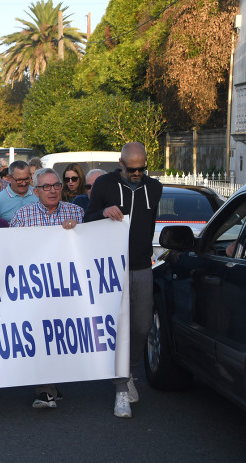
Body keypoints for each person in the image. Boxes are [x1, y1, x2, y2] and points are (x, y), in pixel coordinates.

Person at [84, 142, 162, 419]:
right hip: (111, 268)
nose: (137, 173)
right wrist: (103, 213)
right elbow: (87, 218)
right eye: (132, 169)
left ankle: (128, 372)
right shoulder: (104, 184)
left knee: (141, 327)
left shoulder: (155, 187)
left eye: (142, 168)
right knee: (117, 328)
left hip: (142, 266)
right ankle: (120, 390)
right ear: (121, 163)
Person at [10, 167, 84, 409]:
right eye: (46, 187)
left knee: (61, 335)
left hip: (68, 288)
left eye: (56, 186)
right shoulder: (23, 216)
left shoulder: (78, 213)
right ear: (35, 190)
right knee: (41, 334)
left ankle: (52, 384)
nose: (52, 191)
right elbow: (10, 251)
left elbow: (91, 248)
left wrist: (79, 233)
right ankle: (45, 390)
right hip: (36, 290)